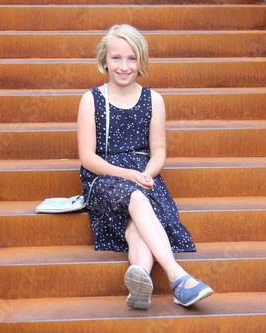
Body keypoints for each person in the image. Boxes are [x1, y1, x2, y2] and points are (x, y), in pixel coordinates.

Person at [77, 24, 213, 309]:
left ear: (141, 61)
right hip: (105, 178)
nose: (124, 66)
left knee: (136, 221)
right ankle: (178, 277)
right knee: (136, 198)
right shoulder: (91, 100)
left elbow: (159, 151)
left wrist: (147, 174)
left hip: (144, 175)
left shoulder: (154, 100)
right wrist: (128, 176)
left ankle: (140, 279)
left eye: (131, 58)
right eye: (116, 58)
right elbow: (88, 157)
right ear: (104, 61)